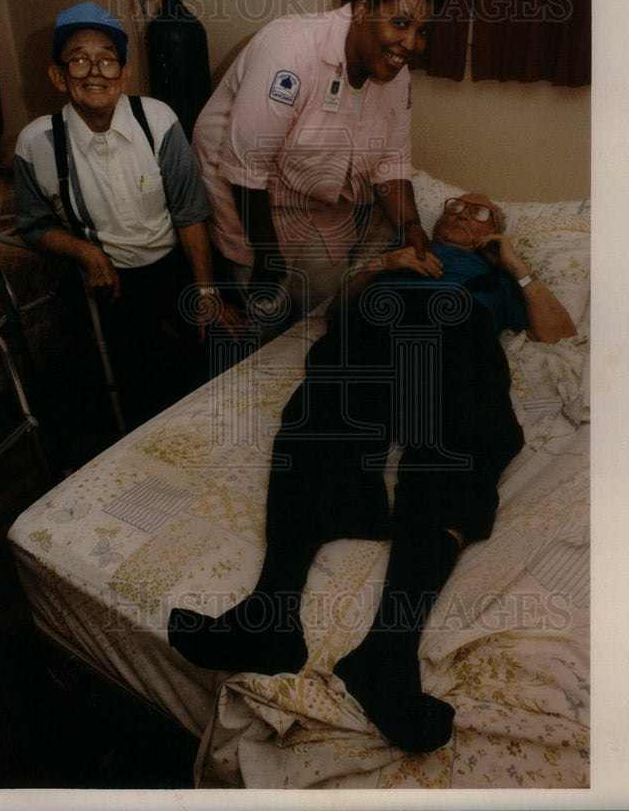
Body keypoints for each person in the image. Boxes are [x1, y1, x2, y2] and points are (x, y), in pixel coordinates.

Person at [168, 191, 577, 753]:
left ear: (493, 231)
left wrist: (513, 263)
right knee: (319, 414)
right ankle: (269, 615)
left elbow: (559, 334)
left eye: (478, 211)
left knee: (468, 436)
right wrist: (383, 265)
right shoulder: (400, 251)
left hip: (454, 333)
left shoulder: (496, 274)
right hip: (371, 332)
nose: (459, 211)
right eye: (453, 205)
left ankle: (388, 651)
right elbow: (336, 315)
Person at [191, 0, 443, 337]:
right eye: (400, 22)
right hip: (245, 194)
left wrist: (412, 229)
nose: (411, 44)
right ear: (362, 9)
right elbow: (246, 165)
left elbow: (391, 161)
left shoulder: (397, 78)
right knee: (264, 311)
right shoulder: (290, 50)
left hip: (312, 196)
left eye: (424, 30)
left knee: (325, 312)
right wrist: (268, 258)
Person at [14, 1, 242, 428]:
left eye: (107, 60)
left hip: (176, 264)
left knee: (219, 354)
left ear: (125, 74)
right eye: (79, 60)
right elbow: (32, 225)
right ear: (58, 76)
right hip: (112, 281)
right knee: (145, 388)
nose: (95, 71)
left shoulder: (157, 120)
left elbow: (190, 211)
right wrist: (86, 254)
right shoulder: (37, 143)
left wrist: (207, 293)